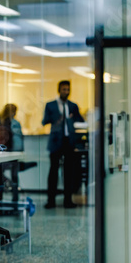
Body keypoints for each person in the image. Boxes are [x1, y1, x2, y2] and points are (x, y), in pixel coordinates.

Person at [42, 80, 84, 209]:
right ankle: (51, 200)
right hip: (55, 141)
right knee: (53, 171)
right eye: (64, 89)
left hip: (69, 141)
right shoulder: (50, 105)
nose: (66, 92)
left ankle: (68, 200)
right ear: (59, 90)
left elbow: (81, 121)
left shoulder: (73, 106)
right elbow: (45, 121)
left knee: (69, 172)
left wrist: (72, 118)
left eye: (68, 89)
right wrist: (57, 119)